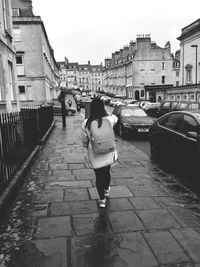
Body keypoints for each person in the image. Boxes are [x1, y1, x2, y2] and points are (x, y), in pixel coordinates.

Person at [81, 98, 118, 208]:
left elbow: (84, 141)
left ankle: (102, 200)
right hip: (108, 152)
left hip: (95, 154)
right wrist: (106, 111)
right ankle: (106, 190)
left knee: (99, 176)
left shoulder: (86, 123)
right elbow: (115, 117)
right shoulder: (109, 120)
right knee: (106, 172)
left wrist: (87, 148)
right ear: (103, 108)